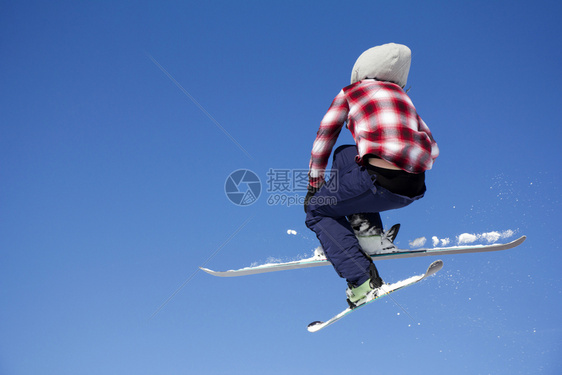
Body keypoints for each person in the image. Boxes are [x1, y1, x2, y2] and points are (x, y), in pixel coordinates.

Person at [304, 43, 439, 308]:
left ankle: (362, 282)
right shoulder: (404, 99)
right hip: (415, 183)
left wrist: (314, 185)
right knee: (345, 154)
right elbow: (432, 145)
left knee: (316, 209)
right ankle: (369, 236)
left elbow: (324, 136)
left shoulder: (351, 92)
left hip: (378, 180)